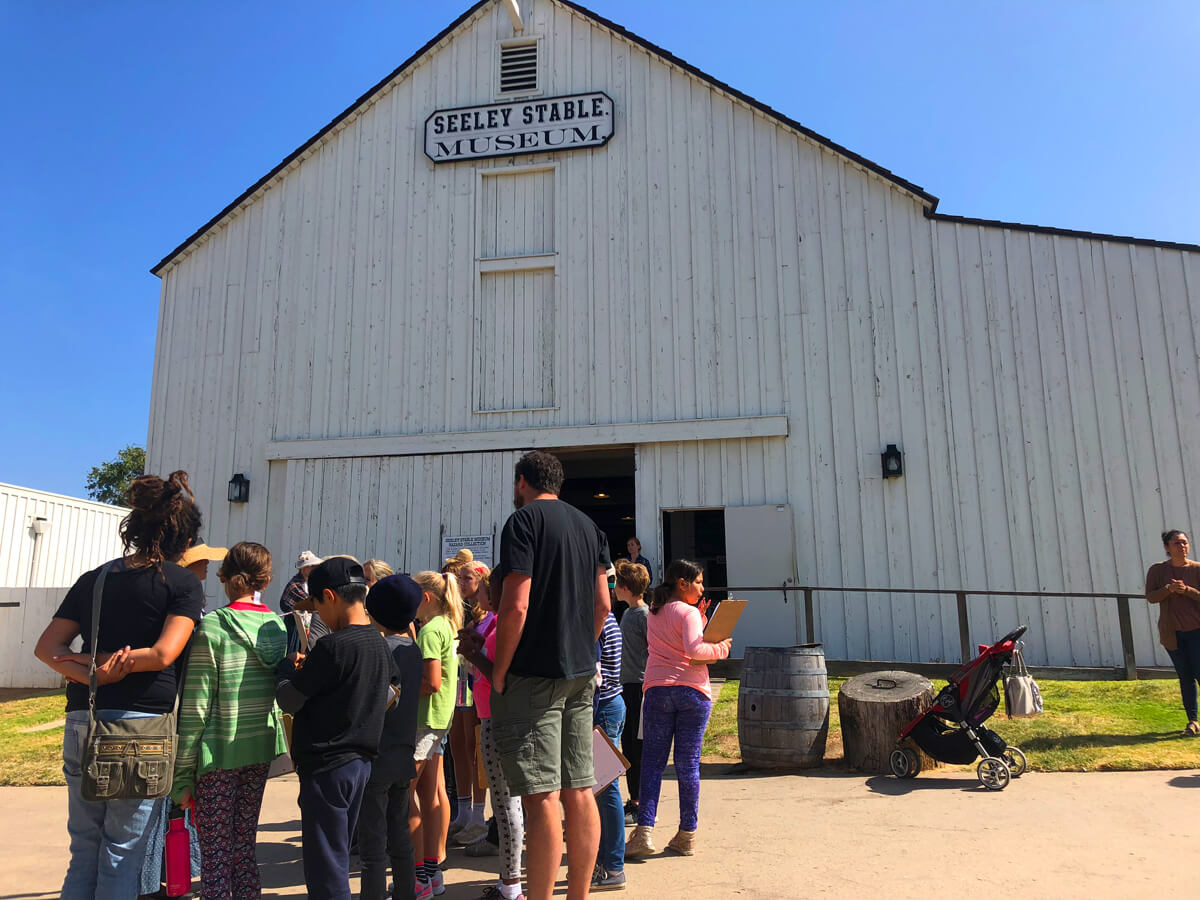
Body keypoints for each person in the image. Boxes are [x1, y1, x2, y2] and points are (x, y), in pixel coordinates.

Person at [33, 470, 205, 900]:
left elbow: (47, 648)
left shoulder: (96, 577)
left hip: (84, 720)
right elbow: (165, 654)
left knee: (85, 849)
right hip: (141, 728)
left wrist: (93, 671)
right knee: (123, 853)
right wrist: (118, 665)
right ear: (182, 539)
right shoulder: (182, 583)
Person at [490, 450, 611, 900]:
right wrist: (582, 644)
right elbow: (603, 603)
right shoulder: (590, 527)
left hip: (532, 676)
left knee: (540, 794)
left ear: (522, 481)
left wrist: (500, 671)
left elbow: (515, 604)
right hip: (581, 673)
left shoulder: (522, 523)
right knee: (580, 787)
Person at [275, 556, 398, 900]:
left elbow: (291, 701)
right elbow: (391, 694)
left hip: (326, 765)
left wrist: (286, 670)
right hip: (361, 763)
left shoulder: (331, 646)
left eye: (314, 605)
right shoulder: (379, 643)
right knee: (339, 853)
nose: (315, 615)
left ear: (329, 596)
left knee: (326, 867)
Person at [173, 541, 289, 900]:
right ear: (265, 580)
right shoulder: (276, 627)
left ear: (223, 578)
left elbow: (195, 707)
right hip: (259, 748)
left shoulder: (214, 628)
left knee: (215, 855)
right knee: (243, 847)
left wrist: (181, 776)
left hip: (217, 754)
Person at [625, 559, 730, 859]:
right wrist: (722, 647)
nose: (701, 587)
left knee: (653, 763)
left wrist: (700, 621)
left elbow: (675, 642)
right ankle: (687, 834)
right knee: (688, 764)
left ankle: (644, 831)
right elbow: (695, 651)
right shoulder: (688, 613)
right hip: (692, 691)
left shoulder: (655, 612)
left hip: (657, 690)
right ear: (682, 584)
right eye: (697, 582)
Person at [139, 540, 224, 896]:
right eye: (201, 562)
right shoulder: (182, 609)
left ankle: (174, 875)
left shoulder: (189, 604)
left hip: (179, 710)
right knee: (162, 798)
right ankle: (151, 880)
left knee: (178, 800)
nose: (206, 568)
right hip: (173, 710)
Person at [457, 574, 526, 900]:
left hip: (498, 720)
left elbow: (503, 676)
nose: (483, 594)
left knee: (506, 805)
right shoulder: (501, 623)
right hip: (494, 716)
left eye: (488, 589)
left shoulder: (508, 625)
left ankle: (510, 886)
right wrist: (479, 645)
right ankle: (508, 882)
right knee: (508, 806)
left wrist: (474, 655)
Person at [360, 573, 426, 900]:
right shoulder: (413, 651)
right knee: (400, 836)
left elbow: (376, 700)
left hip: (376, 756)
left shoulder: (378, 649)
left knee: (372, 843)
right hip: (403, 754)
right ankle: (405, 894)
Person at [410, 570, 463, 897]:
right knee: (432, 795)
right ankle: (432, 872)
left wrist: (395, 690)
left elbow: (431, 682)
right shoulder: (446, 625)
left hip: (423, 721)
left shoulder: (429, 630)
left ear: (426, 598)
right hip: (440, 720)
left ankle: (418, 878)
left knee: (402, 797)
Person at [448, 558, 491, 847]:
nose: (462, 583)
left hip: (477, 686)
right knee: (459, 748)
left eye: (467, 578)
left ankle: (477, 815)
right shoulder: (460, 612)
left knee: (476, 751)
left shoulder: (487, 616)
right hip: (461, 683)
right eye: (460, 578)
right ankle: (463, 811)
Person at [1146, 529, 1200, 736]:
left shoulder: (1196, 569)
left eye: (1185, 542)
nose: (1182, 546)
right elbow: (1151, 597)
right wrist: (1168, 590)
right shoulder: (1157, 571)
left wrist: (1187, 590)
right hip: (1172, 634)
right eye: (1177, 543)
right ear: (1167, 547)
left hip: (1197, 630)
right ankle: (1193, 721)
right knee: (1185, 676)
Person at [615, 559, 651, 825]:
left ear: (625, 587)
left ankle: (640, 803)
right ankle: (635, 798)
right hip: (625, 685)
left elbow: (654, 650)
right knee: (627, 746)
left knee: (637, 747)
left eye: (617, 582)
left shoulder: (644, 615)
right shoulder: (627, 613)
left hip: (639, 686)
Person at [591, 607, 626, 890]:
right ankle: (606, 862)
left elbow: (596, 675)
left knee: (606, 789)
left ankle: (613, 867)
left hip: (602, 708)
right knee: (601, 789)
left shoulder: (598, 620)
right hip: (611, 705)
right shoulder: (608, 617)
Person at [280, 550, 323, 654]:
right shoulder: (294, 585)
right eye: (311, 566)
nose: (314, 569)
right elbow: (308, 602)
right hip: (295, 624)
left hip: (309, 624)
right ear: (303, 569)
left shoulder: (312, 583)